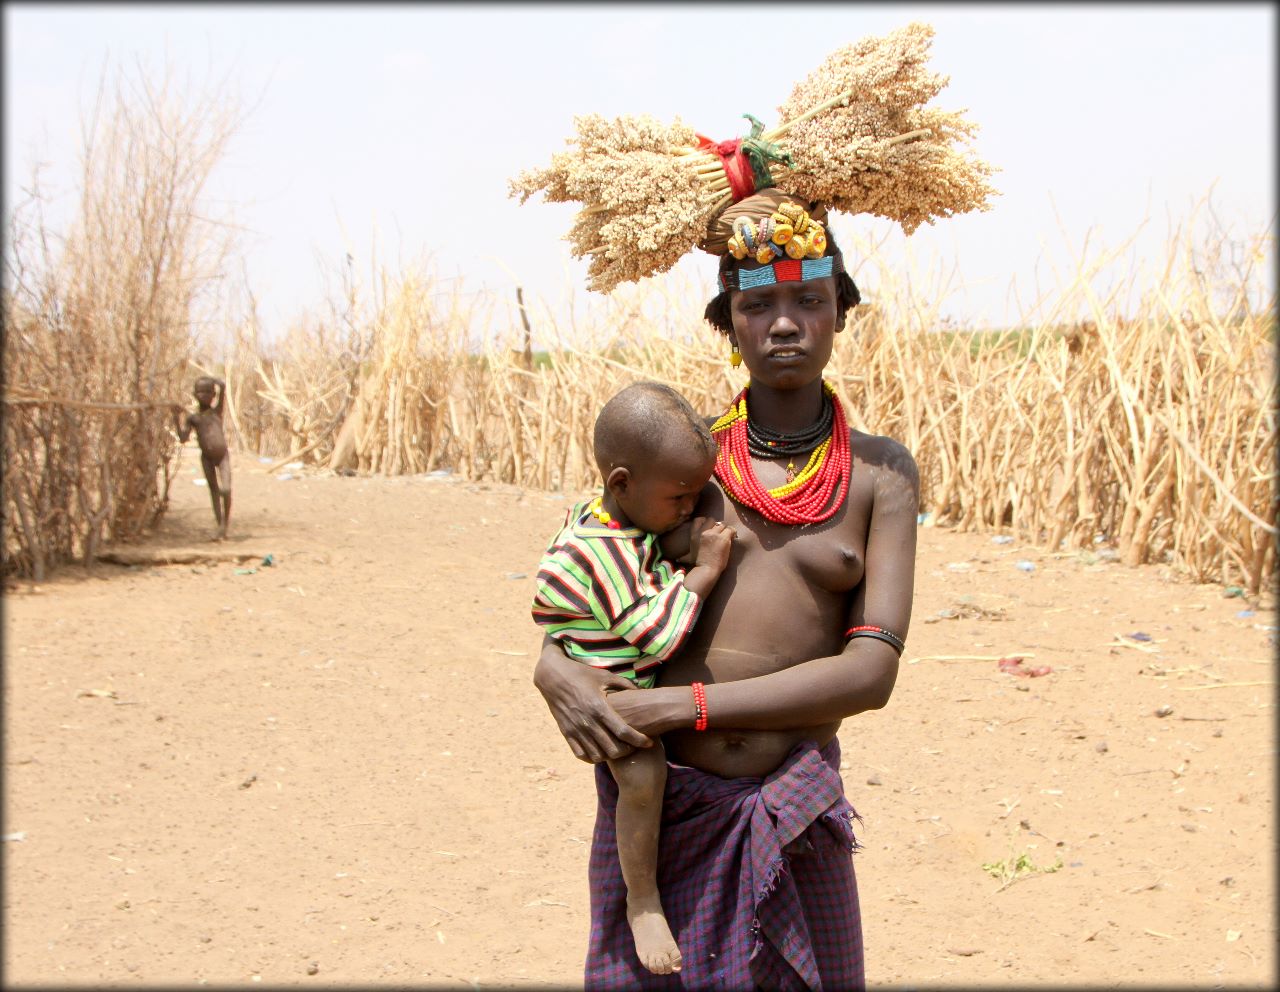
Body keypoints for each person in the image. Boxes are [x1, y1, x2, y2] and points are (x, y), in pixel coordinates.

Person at [533, 189, 919, 990]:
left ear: (841, 312)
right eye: (758, 303)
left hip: (793, 807)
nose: (785, 322)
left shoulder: (882, 475)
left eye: (810, 299)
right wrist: (552, 667)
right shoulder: (686, 463)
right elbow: (592, 588)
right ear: (727, 324)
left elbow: (870, 674)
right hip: (666, 811)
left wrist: (686, 707)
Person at [532, 381, 737, 976]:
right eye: (680, 496)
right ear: (621, 483)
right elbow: (658, 635)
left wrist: (672, 531)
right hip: (612, 691)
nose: (689, 509)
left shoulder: (606, 517)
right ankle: (643, 900)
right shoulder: (606, 555)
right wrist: (703, 570)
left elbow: (648, 545)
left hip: (599, 653)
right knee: (643, 776)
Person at [174, 376, 232, 540]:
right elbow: (183, 438)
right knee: (214, 491)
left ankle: (225, 525)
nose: (205, 395)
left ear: (214, 395)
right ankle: (220, 527)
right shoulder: (194, 418)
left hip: (222, 456)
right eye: (201, 392)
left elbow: (223, 386)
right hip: (206, 457)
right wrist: (175, 419)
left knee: (226, 490)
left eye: (208, 392)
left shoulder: (217, 411)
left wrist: (216, 382)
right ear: (194, 394)